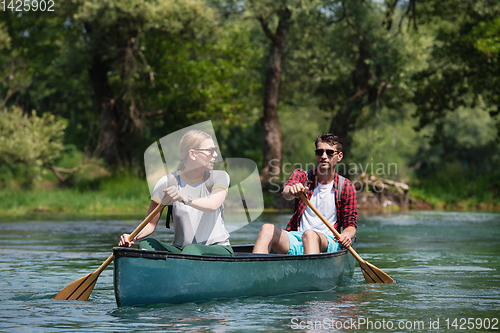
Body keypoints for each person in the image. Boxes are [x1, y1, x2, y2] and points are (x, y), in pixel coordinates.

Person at [119, 130, 234, 256]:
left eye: (215, 150)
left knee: (192, 249)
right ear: (193, 154)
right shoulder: (166, 183)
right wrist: (132, 237)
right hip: (182, 251)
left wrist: (183, 197)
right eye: (210, 151)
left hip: (217, 249)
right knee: (146, 243)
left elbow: (213, 205)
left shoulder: (220, 177)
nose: (215, 154)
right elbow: (150, 223)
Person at [253, 133, 357, 255]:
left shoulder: (346, 186)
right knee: (267, 229)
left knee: (310, 235)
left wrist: (346, 235)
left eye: (329, 153)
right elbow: (286, 192)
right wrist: (292, 190)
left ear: (339, 156)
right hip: (296, 237)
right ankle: (255, 271)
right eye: (320, 152)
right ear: (315, 155)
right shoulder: (302, 176)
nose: (324, 156)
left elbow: (350, 225)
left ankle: (310, 273)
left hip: (328, 240)